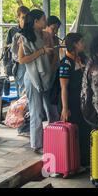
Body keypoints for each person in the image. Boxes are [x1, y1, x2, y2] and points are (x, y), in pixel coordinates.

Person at [18, 9, 59, 154]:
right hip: (32, 77)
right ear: (35, 22)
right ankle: (37, 145)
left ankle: (53, 139)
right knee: (36, 111)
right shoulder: (25, 37)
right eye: (43, 19)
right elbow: (22, 59)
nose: (45, 22)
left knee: (50, 110)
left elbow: (52, 53)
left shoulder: (45, 35)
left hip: (45, 76)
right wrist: (41, 52)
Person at [59, 33, 91, 167]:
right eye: (81, 42)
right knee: (77, 132)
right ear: (74, 45)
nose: (83, 44)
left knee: (85, 130)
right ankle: (75, 162)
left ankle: (86, 160)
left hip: (83, 101)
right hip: (72, 102)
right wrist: (65, 108)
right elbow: (64, 87)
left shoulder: (82, 58)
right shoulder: (65, 63)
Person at [7, 6, 31, 136]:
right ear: (18, 17)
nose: (25, 20)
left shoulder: (30, 30)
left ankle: (26, 126)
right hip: (20, 66)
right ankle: (22, 127)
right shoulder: (14, 32)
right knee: (22, 96)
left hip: (29, 65)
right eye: (23, 17)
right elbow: (13, 53)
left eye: (27, 17)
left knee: (28, 96)